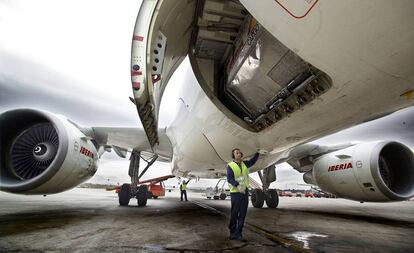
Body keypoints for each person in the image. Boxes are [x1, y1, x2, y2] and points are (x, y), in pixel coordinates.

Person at [227, 148, 259, 241]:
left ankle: (239, 233)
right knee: (234, 213)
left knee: (243, 214)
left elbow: (252, 162)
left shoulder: (244, 163)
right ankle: (232, 232)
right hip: (236, 193)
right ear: (234, 155)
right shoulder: (230, 165)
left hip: (244, 192)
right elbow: (229, 178)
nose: (239, 154)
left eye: (239, 153)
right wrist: (237, 185)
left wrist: (257, 154)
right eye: (236, 153)